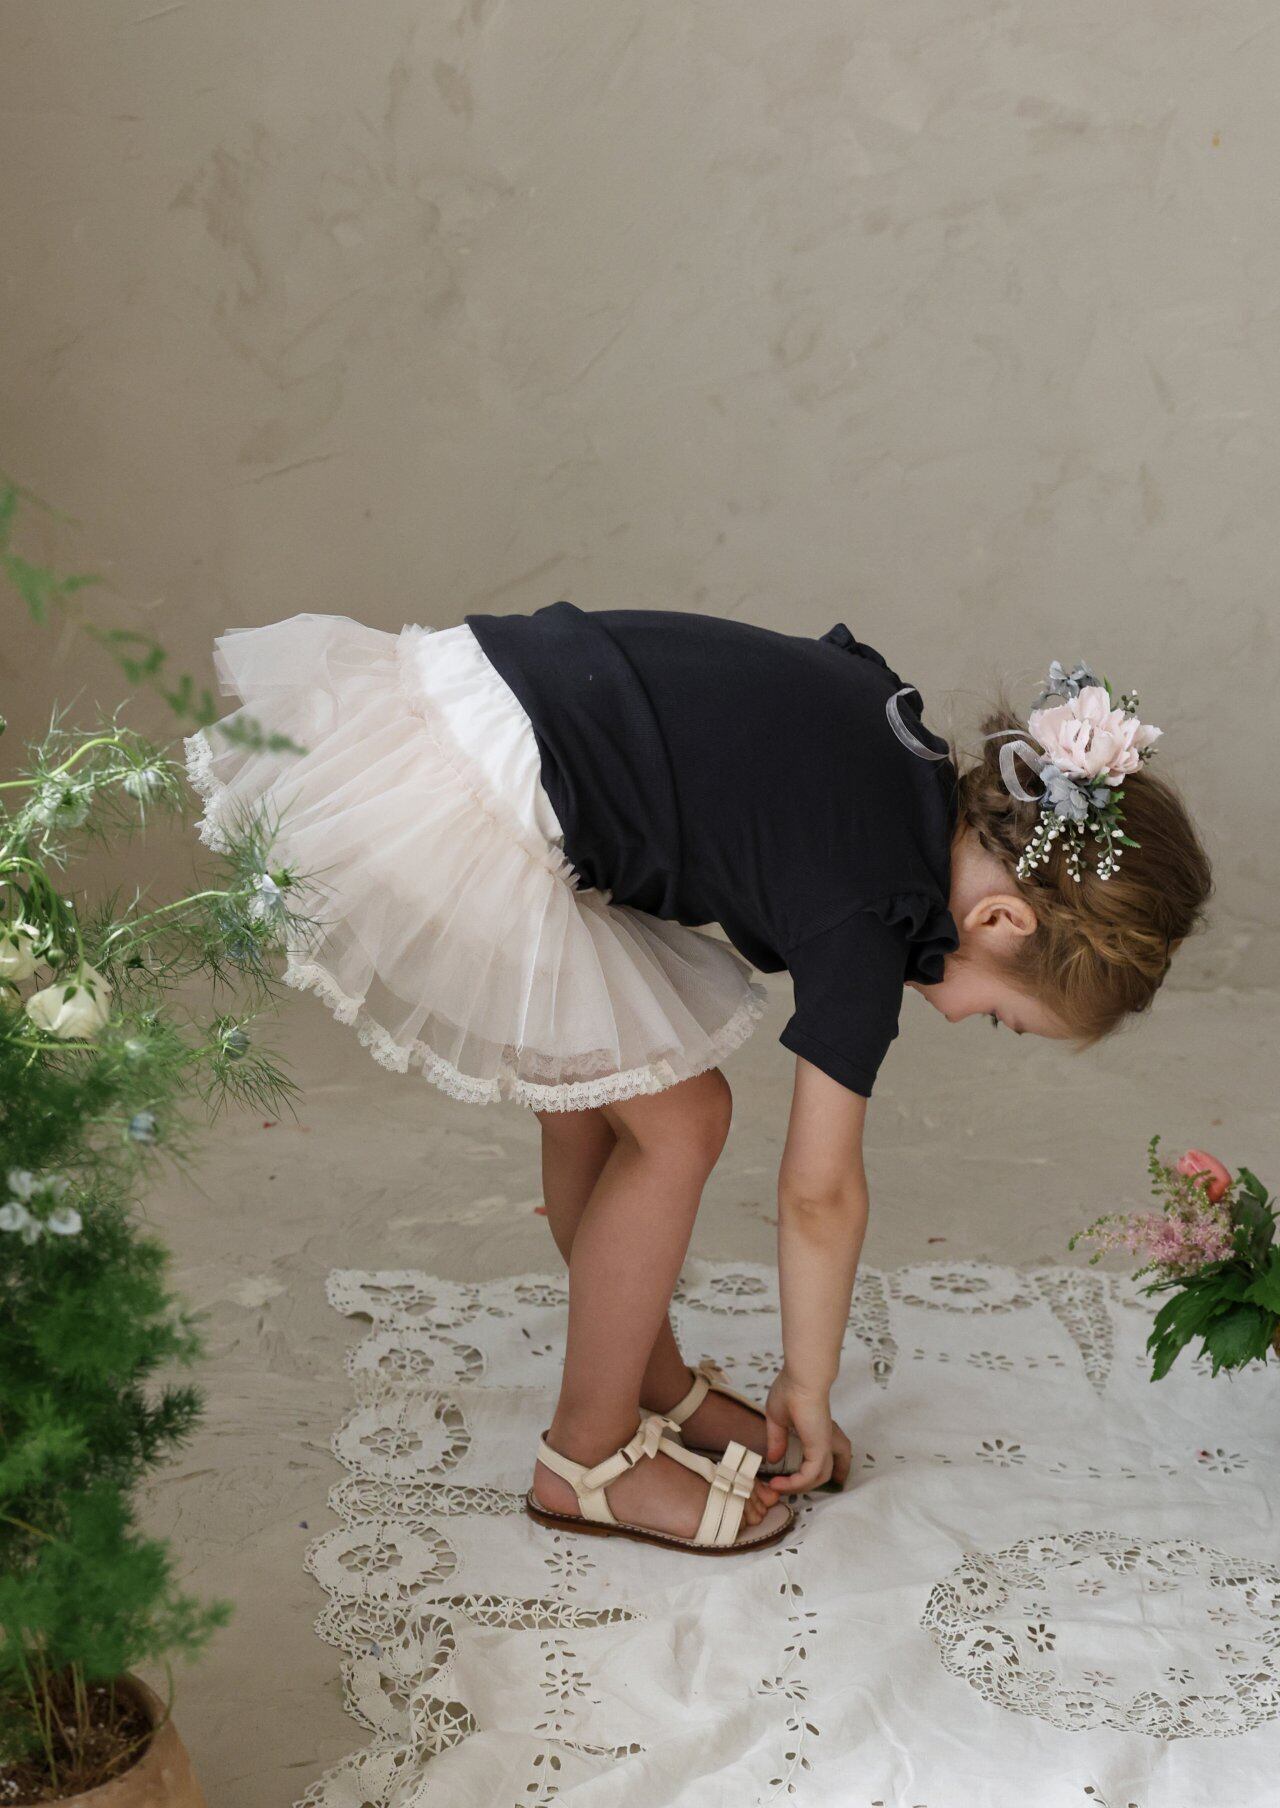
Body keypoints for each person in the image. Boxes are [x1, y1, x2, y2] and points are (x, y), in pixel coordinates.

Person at [184, 605, 1211, 1556]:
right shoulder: (871, 907)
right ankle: (585, 1457)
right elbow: (819, 1192)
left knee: (598, 1100)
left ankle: (652, 1383)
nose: (963, 1018)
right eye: (996, 1015)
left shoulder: (901, 757)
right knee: (681, 1121)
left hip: (469, 711)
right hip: (476, 799)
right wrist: (807, 1382)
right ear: (999, 921)